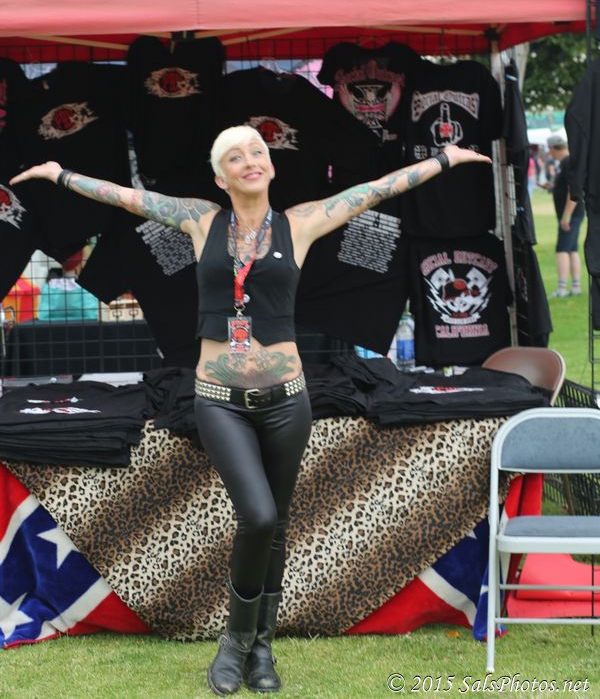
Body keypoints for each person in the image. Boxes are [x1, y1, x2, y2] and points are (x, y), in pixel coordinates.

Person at [10, 128, 489, 696]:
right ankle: (236, 642)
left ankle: (262, 647)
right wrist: (60, 174)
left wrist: (443, 159)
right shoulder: (200, 220)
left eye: (257, 152)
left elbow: (378, 189)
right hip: (220, 400)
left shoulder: (301, 223)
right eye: (235, 157)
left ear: (271, 166)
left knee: (277, 525)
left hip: (287, 401)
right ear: (221, 177)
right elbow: (126, 197)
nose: (249, 161)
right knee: (258, 516)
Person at [543, 133, 585, 298]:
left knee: (561, 250)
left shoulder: (567, 162)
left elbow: (573, 190)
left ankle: (561, 288)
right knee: (572, 249)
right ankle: (576, 286)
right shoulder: (566, 163)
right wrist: (551, 187)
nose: (549, 153)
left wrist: (566, 215)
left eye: (549, 149)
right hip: (574, 213)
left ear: (553, 148)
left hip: (571, 214)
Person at [37, 249, 99, 321]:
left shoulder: (50, 285)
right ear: (80, 262)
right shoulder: (87, 287)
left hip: (52, 324)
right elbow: (92, 314)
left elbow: (43, 315)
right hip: (85, 323)